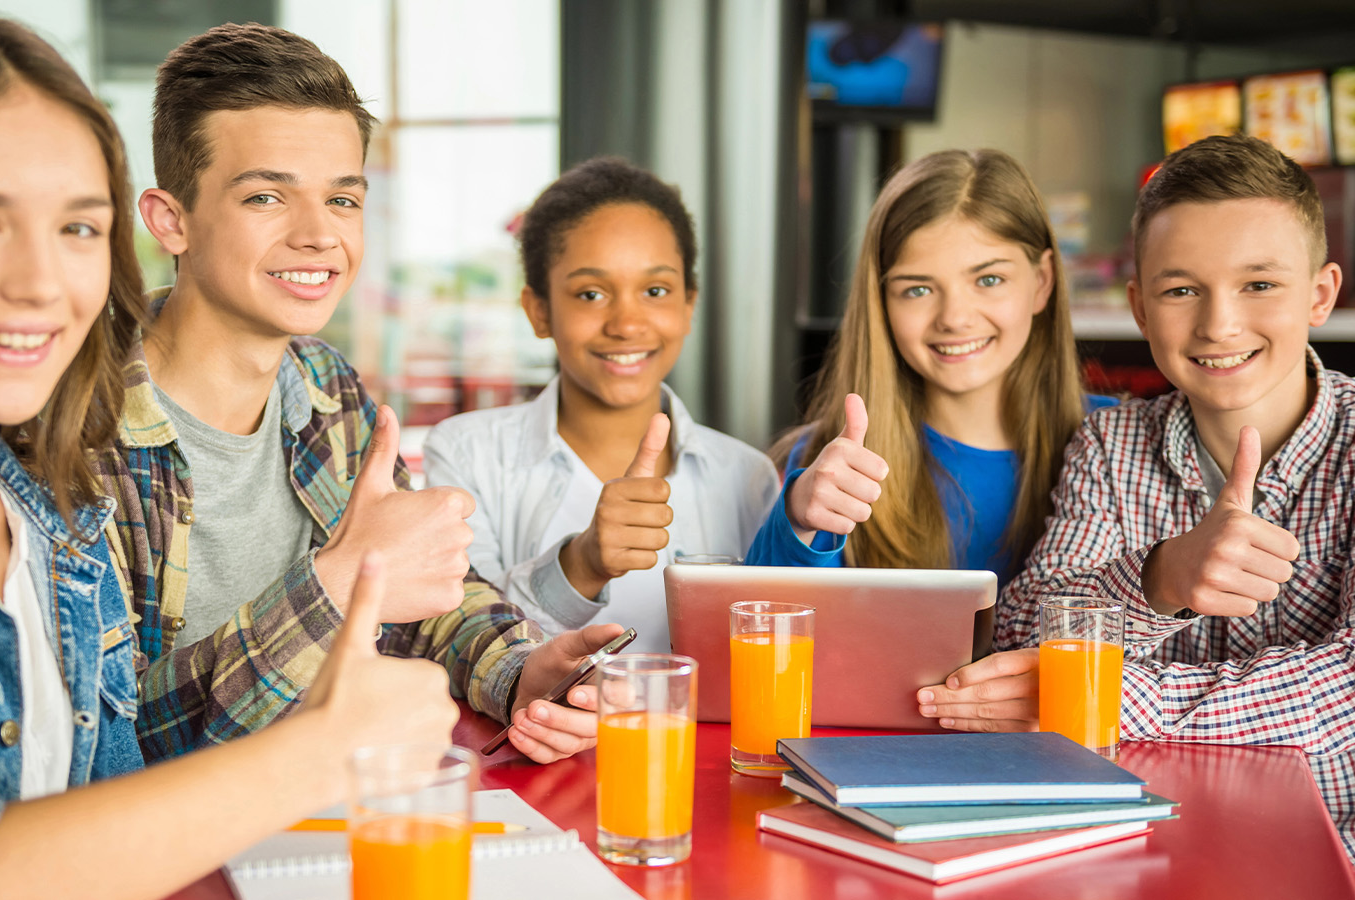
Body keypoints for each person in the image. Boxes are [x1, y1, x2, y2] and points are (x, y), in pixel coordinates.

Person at [0, 9, 460, 900]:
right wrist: (316, 755)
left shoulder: (53, 511)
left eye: (78, 230)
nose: (40, 283)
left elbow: (123, 804)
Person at [108, 24, 619, 765]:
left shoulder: (328, 388)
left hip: (340, 813)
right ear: (170, 220)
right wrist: (335, 583)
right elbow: (110, 743)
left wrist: (519, 672)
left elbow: (421, 604)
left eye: (343, 201)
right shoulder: (78, 428)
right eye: (265, 197)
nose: (319, 235)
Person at [947, 133, 1355, 854]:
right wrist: (1162, 575)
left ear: (1321, 294)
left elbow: (1346, 703)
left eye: (1258, 284)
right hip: (1125, 842)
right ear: (1139, 308)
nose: (1219, 323)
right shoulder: (1112, 445)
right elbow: (1019, 638)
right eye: (1181, 289)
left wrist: (1106, 696)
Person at [422, 157, 779, 653]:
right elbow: (462, 640)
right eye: (591, 294)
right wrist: (581, 564)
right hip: (537, 731)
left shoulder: (749, 476)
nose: (626, 324)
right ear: (539, 310)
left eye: (656, 291)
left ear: (688, 306)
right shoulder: (467, 453)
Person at [746, 149, 1113, 592]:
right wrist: (799, 527)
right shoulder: (829, 467)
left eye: (989, 280)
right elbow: (760, 629)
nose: (954, 317)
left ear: (1042, 282)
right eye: (917, 289)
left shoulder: (1116, 445)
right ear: (882, 304)